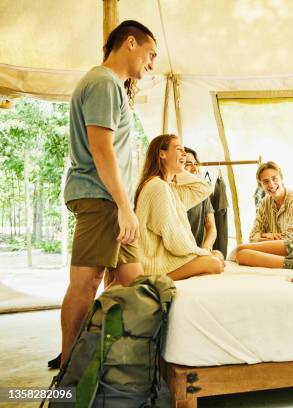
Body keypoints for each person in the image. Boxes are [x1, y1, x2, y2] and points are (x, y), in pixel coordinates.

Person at [56, 20, 157, 369]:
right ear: (131, 43)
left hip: (111, 201)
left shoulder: (112, 85)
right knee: (86, 283)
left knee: (134, 285)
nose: (152, 64)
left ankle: (125, 363)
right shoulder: (102, 83)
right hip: (103, 199)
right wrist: (124, 206)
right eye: (150, 54)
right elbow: (102, 150)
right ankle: (70, 371)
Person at [134, 134, 224, 280]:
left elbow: (203, 189)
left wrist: (180, 168)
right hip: (155, 265)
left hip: (167, 258)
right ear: (161, 154)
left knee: (217, 256)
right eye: (179, 149)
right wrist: (201, 252)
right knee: (215, 263)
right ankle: (155, 280)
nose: (184, 154)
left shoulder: (170, 187)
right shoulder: (158, 187)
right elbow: (174, 240)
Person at [247, 161, 293, 242]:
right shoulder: (264, 203)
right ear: (261, 185)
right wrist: (267, 235)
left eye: (274, 178)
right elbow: (253, 236)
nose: (271, 185)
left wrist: (262, 236)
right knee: (240, 251)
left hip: (292, 251)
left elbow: (291, 238)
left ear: (281, 178)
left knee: (241, 251)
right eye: (266, 181)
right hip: (271, 249)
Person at [183, 147, 222, 259]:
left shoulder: (202, 194)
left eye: (196, 164)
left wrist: (205, 249)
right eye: (188, 164)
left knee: (219, 255)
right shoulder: (171, 192)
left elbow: (211, 227)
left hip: (198, 252)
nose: (195, 169)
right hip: (180, 254)